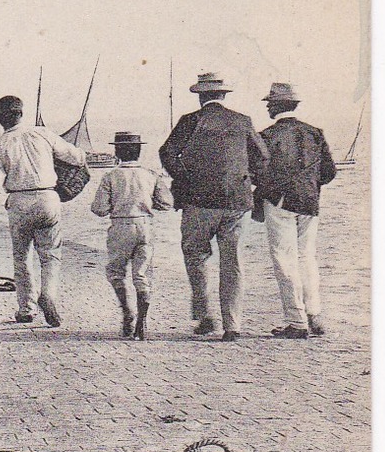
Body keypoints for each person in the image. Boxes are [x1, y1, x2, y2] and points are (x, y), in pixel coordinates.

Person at [159, 71, 269, 341]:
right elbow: (263, 157)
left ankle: (206, 313)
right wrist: (246, 179)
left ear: (200, 96)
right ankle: (233, 325)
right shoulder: (243, 121)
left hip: (199, 202)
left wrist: (186, 178)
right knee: (232, 261)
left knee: (195, 254)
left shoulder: (191, 121)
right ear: (223, 94)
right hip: (237, 202)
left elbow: (167, 153)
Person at [0, 94, 87, 326]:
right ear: (21, 113)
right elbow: (76, 157)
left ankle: (26, 309)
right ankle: (48, 295)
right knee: (50, 256)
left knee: (22, 258)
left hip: (18, 202)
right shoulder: (42, 133)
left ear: (0, 118)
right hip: (48, 198)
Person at [253, 82, 336, 339]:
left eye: (270, 103)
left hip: (280, 202)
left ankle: (296, 320)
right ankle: (315, 314)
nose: (267, 106)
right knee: (307, 257)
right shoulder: (315, 133)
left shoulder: (266, 136)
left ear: (277, 106)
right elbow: (329, 172)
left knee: (284, 259)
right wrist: (309, 186)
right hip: (310, 202)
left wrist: (267, 193)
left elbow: (257, 172)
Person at [89, 132, 173, 339]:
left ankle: (128, 312)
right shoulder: (151, 174)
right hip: (145, 226)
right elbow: (166, 204)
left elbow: (98, 208)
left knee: (116, 272)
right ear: (139, 151)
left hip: (121, 225)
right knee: (141, 275)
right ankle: (142, 321)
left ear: (117, 151)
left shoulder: (110, 176)